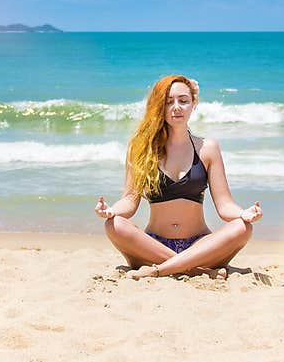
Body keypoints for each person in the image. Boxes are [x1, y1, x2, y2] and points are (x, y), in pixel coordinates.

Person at [94, 75, 262, 279]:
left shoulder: (207, 148)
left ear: (193, 105)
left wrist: (245, 214)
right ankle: (195, 270)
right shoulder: (141, 148)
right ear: (158, 106)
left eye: (183, 101)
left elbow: (225, 205)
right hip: (154, 246)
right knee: (114, 224)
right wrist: (111, 210)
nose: (177, 107)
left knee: (243, 227)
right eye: (168, 102)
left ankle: (161, 270)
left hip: (200, 245)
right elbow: (130, 200)